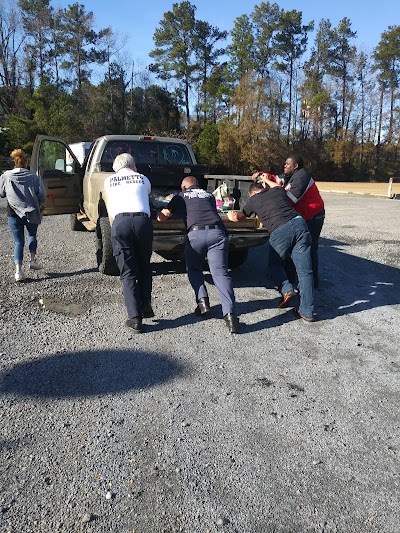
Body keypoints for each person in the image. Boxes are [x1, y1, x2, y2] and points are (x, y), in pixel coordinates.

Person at [157, 176, 239, 334]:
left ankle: (203, 302)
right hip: (218, 233)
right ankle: (231, 317)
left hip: (196, 236)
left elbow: (164, 215)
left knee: (194, 268)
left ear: (184, 186)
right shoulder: (209, 195)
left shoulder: (181, 195)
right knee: (221, 274)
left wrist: (157, 216)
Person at [228, 180, 316, 322]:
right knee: (305, 272)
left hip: (281, 230)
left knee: (274, 265)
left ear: (253, 193)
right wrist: (266, 180)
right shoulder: (277, 191)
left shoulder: (254, 200)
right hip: (300, 224)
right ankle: (307, 312)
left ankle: (287, 289)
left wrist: (232, 217)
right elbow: (277, 185)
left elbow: (239, 216)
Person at [253, 154, 325, 288]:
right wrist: (263, 174)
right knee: (293, 249)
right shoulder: (291, 175)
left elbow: (288, 199)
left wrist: (269, 202)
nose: (284, 166)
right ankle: (291, 279)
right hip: (301, 216)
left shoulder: (302, 178)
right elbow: (278, 178)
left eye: (287, 164)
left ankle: (313, 283)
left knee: (309, 249)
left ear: (295, 166)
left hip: (313, 217)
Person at [104, 153, 154, 333]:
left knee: (128, 271)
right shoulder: (142, 178)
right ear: (133, 166)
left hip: (121, 223)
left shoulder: (109, 181)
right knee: (144, 266)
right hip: (142, 222)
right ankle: (146, 304)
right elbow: (146, 194)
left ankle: (135, 318)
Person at [0, 148, 45, 282]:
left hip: (13, 213)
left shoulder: (6, 176)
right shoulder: (34, 177)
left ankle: (18, 271)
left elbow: (1, 193)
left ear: (14, 162)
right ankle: (32, 260)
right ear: (26, 162)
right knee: (32, 235)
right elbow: (42, 196)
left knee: (18, 241)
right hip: (31, 212)